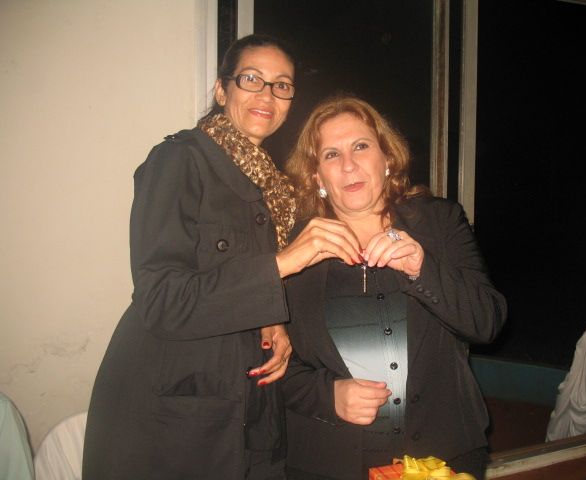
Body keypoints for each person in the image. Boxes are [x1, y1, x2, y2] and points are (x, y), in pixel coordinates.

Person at [82, 34, 360, 480]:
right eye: (251, 79)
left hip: (249, 404)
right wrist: (282, 263)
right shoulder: (178, 160)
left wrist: (273, 321)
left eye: (282, 85)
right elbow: (163, 300)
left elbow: (235, 287)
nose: (267, 94)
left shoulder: (274, 188)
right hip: (172, 411)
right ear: (221, 90)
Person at [281, 96, 507, 480]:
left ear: (387, 158)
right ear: (317, 178)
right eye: (331, 154)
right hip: (330, 461)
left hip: (443, 454)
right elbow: (267, 359)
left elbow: (487, 322)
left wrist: (423, 268)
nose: (348, 165)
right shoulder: (295, 247)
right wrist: (326, 394)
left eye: (361, 146)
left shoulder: (439, 222)